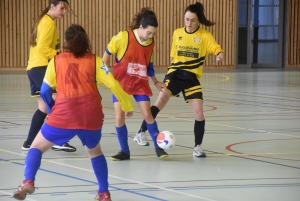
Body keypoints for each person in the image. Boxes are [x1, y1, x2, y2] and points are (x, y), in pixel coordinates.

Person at [13, 24, 134, 201]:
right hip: (91, 115)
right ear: (86, 41)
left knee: (36, 147)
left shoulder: (57, 60)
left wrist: (52, 108)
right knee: (95, 152)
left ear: (65, 42)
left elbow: (45, 91)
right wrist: (127, 105)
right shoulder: (95, 60)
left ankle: (28, 181)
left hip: (64, 114)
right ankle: (104, 193)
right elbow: (114, 84)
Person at [135, 2, 224, 157]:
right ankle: (140, 132)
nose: (189, 23)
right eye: (186, 19)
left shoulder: (204, 36)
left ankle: (197, 147)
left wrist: (219, 54)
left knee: (199, 113)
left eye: (192, 20)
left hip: (192, 78)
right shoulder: (177, 33)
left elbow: (214, 47)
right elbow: (172, 54)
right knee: (161, 98)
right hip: (176, 73)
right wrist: (171, 71)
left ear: (198, 20)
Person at [102, 7, 168, 160]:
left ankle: (159, 148)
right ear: (140, 27)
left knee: (147, 114)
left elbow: (148, 65)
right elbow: (105, 57)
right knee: (119, 117)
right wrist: (107, 78)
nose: (150, 36)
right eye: (148, 32)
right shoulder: (122, 37)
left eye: (153, 34)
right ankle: (124, 151)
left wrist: (156, 81)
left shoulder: (150, 43)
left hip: (140, 83)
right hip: (121, 84)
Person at [21, 0, 76, 152]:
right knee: (60, 102)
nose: (64, 12)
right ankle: (58, 140)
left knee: (44, 107)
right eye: (62, 8)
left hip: (33, 68)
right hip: (41, 67)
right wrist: (58, 56)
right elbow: (42, 47)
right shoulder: (48, 23)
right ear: (52, 6)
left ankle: (29, 142)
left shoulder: (45, 21)